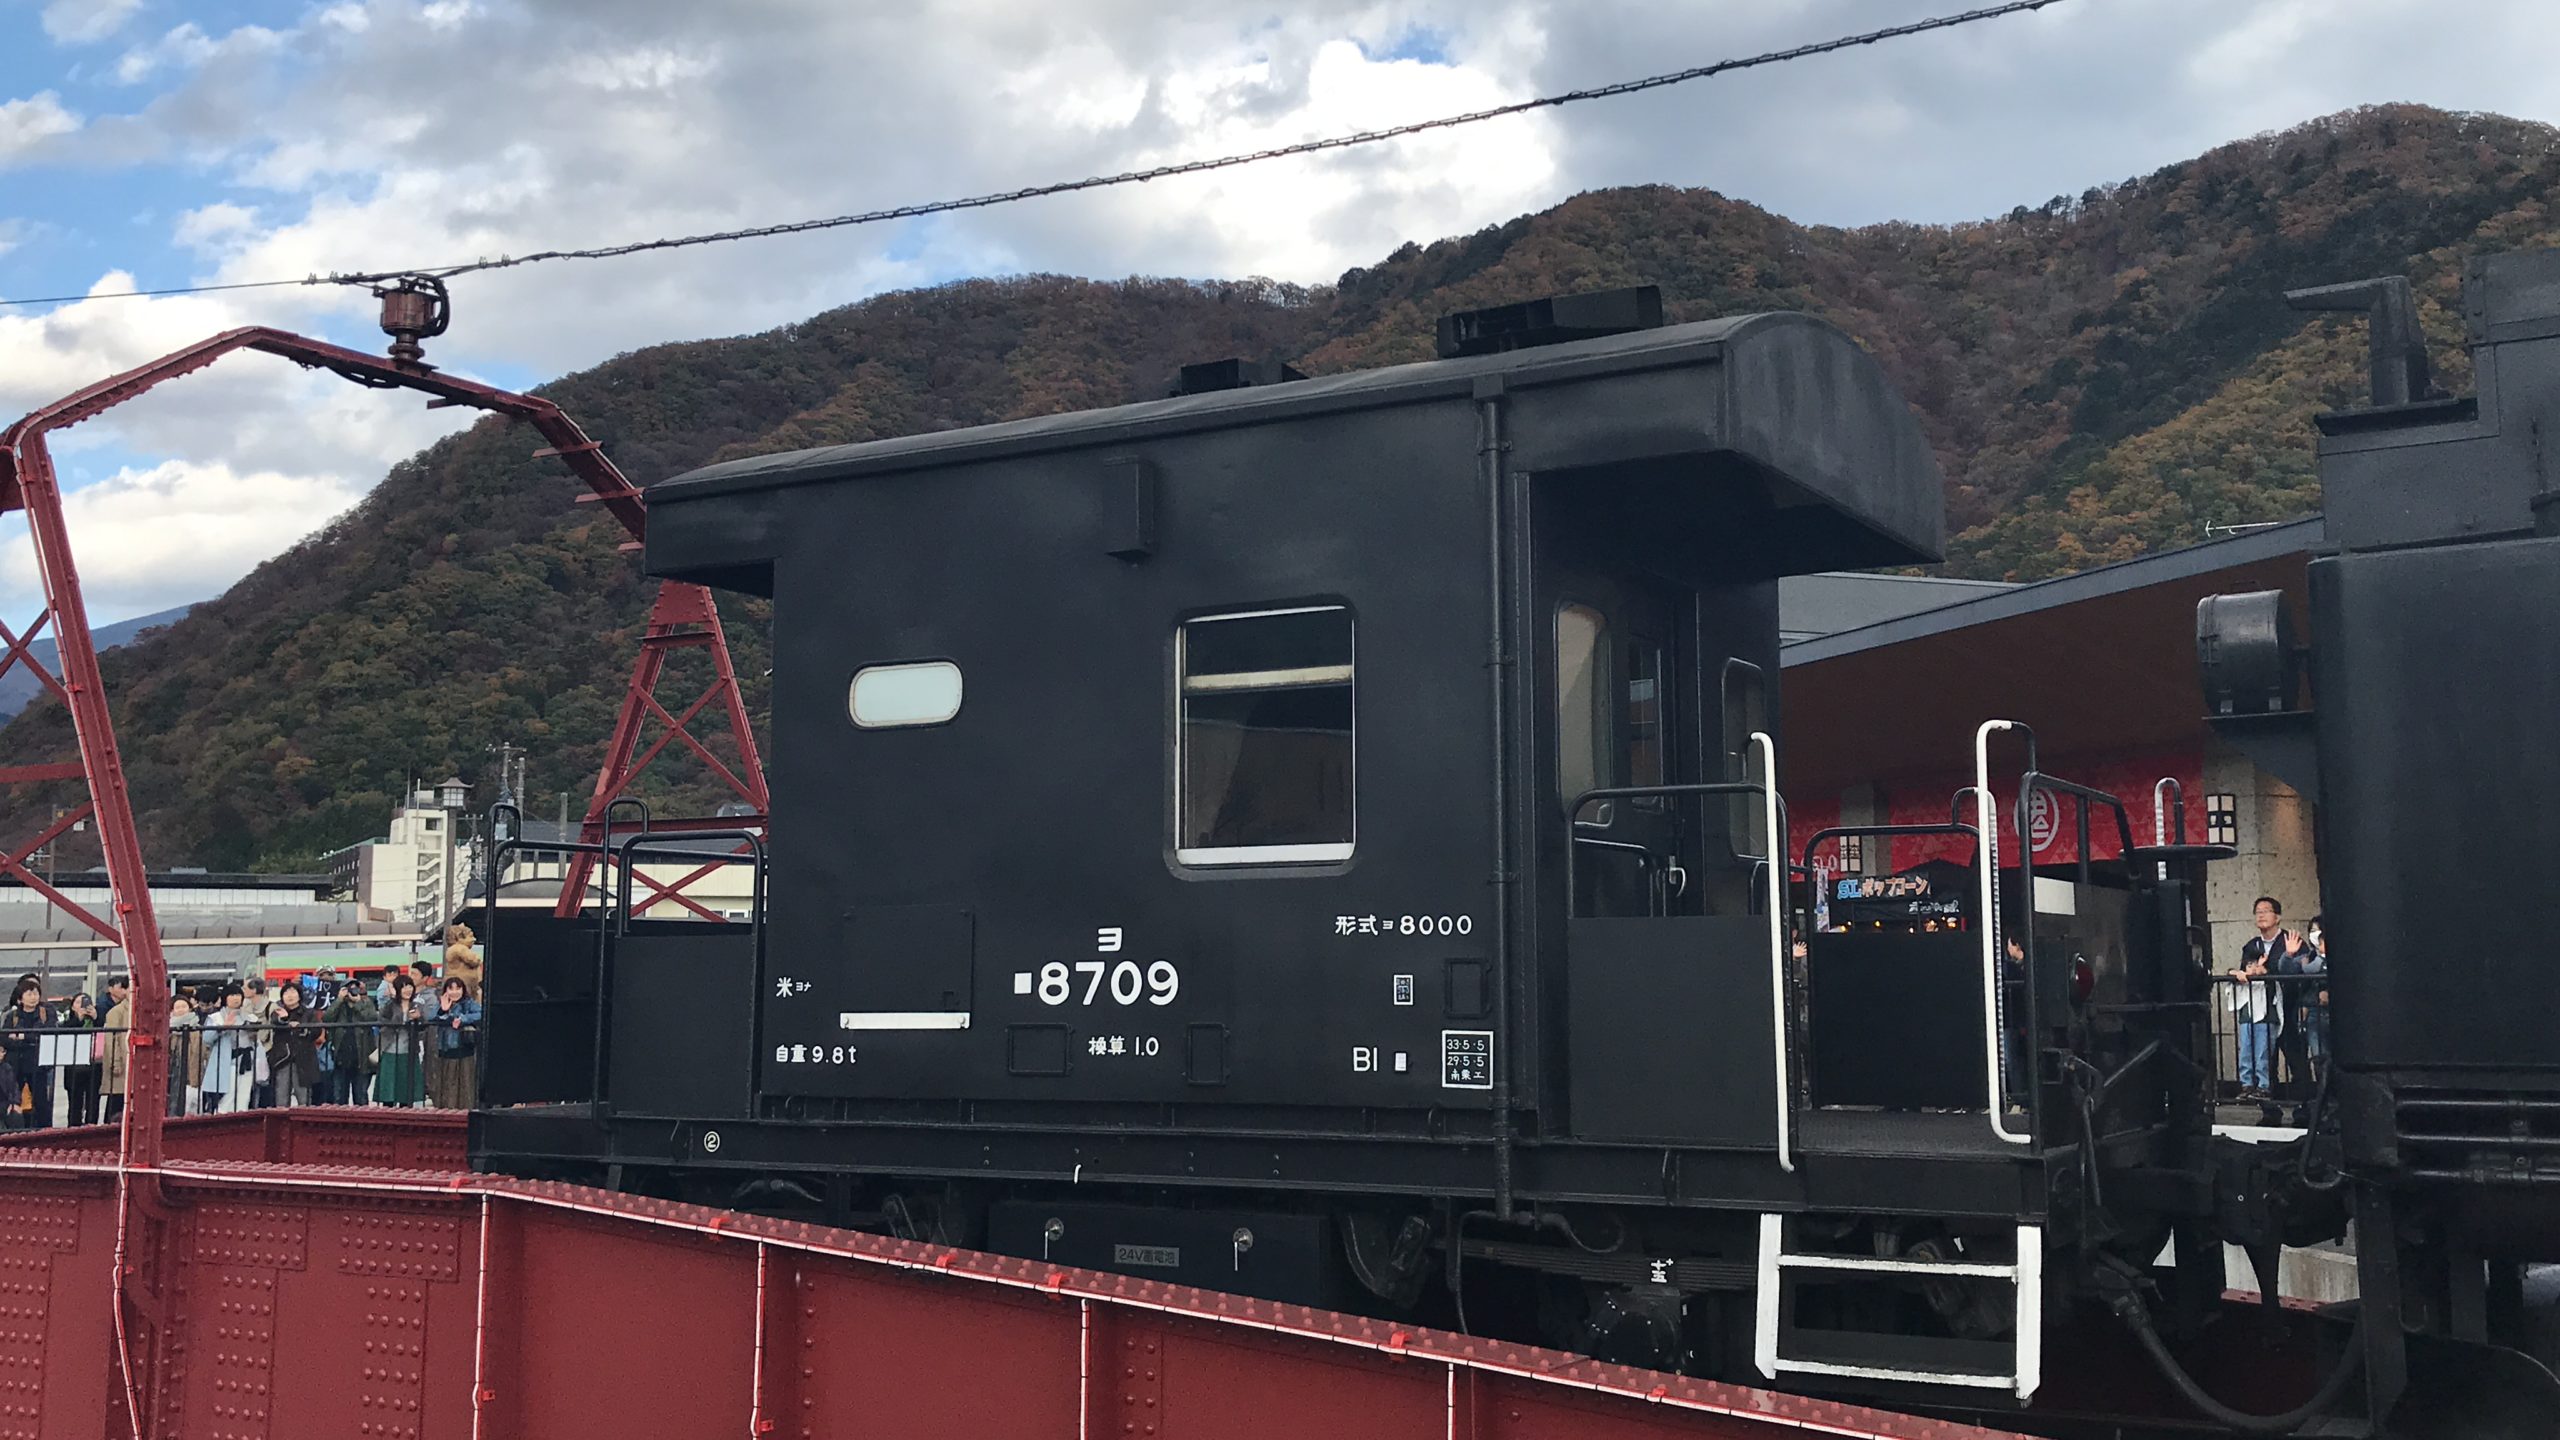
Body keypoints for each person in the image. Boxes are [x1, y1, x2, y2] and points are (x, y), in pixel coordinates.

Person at [2230, 896, 2295, 1109]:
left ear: (2278, 917)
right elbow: (2244, 967)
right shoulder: (2252, 945)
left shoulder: (2289, 940)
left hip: (2284, 1005)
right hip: (2254, 1002)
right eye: (2258, 911)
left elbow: (2295, 969)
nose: (2261, 914)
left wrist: (2267, 971)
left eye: (2266, 910)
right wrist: (2243, 972)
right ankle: (2251, 1088)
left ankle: (2300, 1109)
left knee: (2280, 1053)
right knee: (2249, 1045)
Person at [0, 979, 54, 1129]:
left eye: (36, 993)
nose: (33, 997)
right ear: (20, 998)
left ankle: (46, 1132)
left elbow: (47, 1033)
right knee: (13, 1099)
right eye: (29, 994)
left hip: (38, 1063)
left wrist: (22, 1037)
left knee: (41, 1101)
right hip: (16, 1064)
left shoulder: (46, 1013)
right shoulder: (13, 1016)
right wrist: (29, 1039)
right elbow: (4, 1037)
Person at [323, 977, 380, 1106]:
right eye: (348, 988)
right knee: (339, 1097)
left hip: (361, 1058)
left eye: (355, 988)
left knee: (360, 1096)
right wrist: (339, 1000)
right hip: (341, 1057)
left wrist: (358, 1003)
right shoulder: (338, 1006)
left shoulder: (366, 1003)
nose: (352, 991)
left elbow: (372, 1018)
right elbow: (327, 1018)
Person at [199, 984, 255, 1114]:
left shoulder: (248, 1016)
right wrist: (223, 1028)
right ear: (225, 998)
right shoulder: (216, 1017)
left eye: (238, 995)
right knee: (226, 1098)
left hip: (246, 1061)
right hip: (227, 1062)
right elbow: (207, 1038)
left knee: (243, 1098)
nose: (236, 998)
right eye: (232, 995)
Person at [265, 982, 321, 1108]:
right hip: (283, 1058)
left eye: (293, 992)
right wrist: (285, 1020)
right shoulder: (278, 1011)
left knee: (304, 1097)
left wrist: (300, 1028)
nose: (289, 996)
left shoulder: (309, 1013)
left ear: (299, 995)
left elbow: (316, 1032)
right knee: (281, 1096)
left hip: (304, 1059)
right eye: (286, 993)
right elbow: (275, 1023)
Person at [429, 977, 481, 1110]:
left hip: (464, 1049)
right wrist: (443, 1010)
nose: (455, 992)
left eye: (458, 988)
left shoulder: (468, 1003)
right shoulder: (441, 1003)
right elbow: (430, 1017)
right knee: (446, 1084)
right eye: (451, 988)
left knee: (466, 1083)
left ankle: (466, 1112)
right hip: (445, 1050)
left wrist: (463, 1019)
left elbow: (481, 1013)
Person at [376, 974, 427, 1107]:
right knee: (388, 1086)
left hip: (409, 1050)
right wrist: (404, 1019)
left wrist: (418, 1019)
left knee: (406, 1086)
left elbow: (423, 1029)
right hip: (390, 1049)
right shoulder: (390, 1006)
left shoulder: (417, 1005)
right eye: (403, 987)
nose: (407, 990)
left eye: (410, 986)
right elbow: (383, 1023)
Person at [60, 991, 103, 1126]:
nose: (82, 1005)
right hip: (74, 1066)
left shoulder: (98, 1019)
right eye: (78, 1002)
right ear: (72, 1006)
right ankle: (73, 1127)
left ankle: (92, 1126)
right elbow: (66, 1032)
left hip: (93, 1064)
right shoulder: (69, 1023)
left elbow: (103, 1029)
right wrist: (78, 1019)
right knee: (75, 1101)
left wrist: (95, 1017)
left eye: (86, 1002)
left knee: (93, 1100)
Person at [100, 980, 132, 1125]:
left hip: (133, 1062)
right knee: (116, 1100)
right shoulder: (116, 1012)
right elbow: (111, 1040)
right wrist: (115, 1062)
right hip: (121, 1063)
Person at [167, 990, 201, 1118]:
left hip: (192, 1065)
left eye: (184, 1006)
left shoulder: (196, 1026)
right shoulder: (169, 1028)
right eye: (177, 1007)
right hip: (175, 1066)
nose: (181, 1009)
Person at [443, 924, 484, 999]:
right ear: (460, 937)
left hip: (469, 985)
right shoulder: (459, 948)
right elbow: (473, 960)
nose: (474, 939)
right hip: (463, 984)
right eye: (471, 936)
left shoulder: (456, 949)